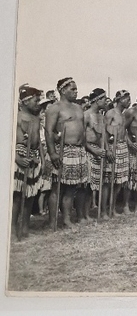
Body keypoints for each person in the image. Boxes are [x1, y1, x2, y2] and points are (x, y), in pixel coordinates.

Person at [45, 77, 89, 228]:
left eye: (76, 89)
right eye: (73, 89)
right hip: (62, 150)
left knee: (71, 188)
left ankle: (66, 219)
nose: (76, 92)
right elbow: (49, 131)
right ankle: (52, 222)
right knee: (57, 188)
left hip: (77, 151)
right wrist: (52, 153)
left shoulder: (78, 108)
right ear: (62, 90)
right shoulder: (54, 108)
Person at [12, 86, 44, 237]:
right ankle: (11, 230)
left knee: (31, 195)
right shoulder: (15, 117)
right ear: (24, 102)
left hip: (34, 157)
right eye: (36, 100)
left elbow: (38, 143)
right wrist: (17, 158)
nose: (39, 103)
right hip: (19, 157)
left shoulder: (36, 119)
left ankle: (25, 228)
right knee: (17, 196)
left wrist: (42, 160)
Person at [84, 88, 114, 219]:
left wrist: (107, 150)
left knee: (105, 182)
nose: (106, 101)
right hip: (89, 151)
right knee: (89, 185)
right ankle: (84, 214)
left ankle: (103, 211)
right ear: (96, 100)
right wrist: (94, 150)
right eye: (103, 99)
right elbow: (81, 138)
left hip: (102, 151)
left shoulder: (102, 117)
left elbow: (104, 137)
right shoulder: (85, 115)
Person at [104, 90, 131, 215]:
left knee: (121, 180)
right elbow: (104, 132)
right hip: (112, 147)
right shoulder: (111, 113)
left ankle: (113, 207)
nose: (129, 101)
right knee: (111, 180)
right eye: (126, 99)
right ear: (120, 99)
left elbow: (123, 133)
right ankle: (108, 209)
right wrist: (107, 149)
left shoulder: (123, 114)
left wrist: (130, 144)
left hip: (123, 146)